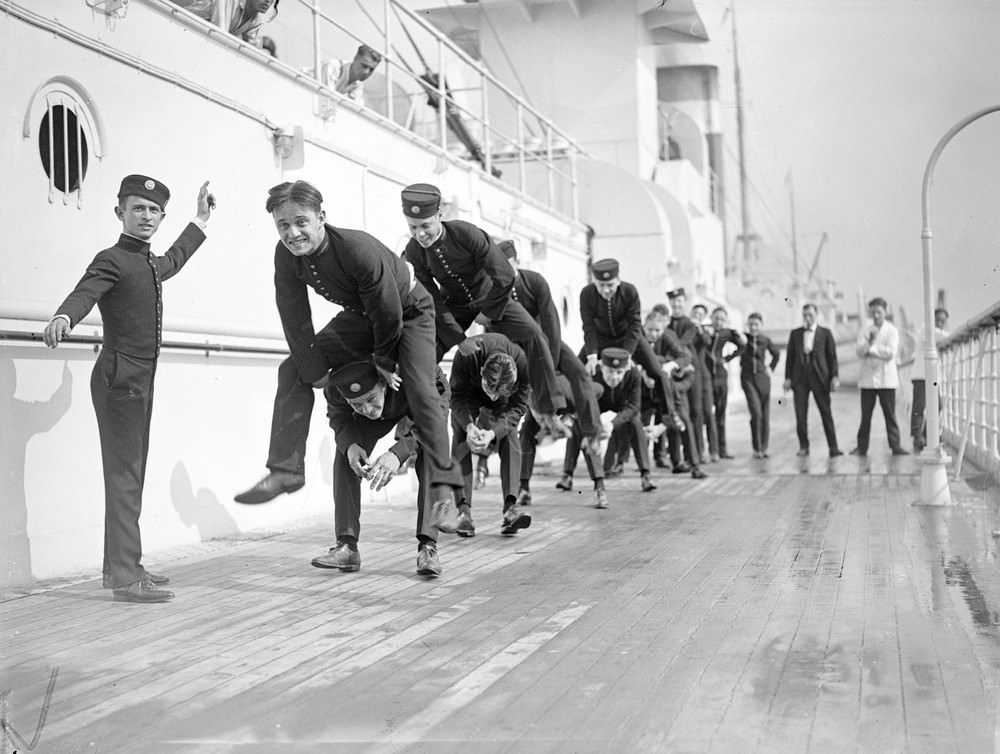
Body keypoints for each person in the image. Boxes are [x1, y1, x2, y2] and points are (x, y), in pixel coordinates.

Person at [234, 181, 463, 536]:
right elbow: (294, 315)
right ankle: (286, 470)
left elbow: (389, 313)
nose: (293, 233)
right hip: (363, 314)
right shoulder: (286, 256)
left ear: (321, 217)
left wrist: (387, 364)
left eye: (301, 222)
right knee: (292, 366)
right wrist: (315, 371)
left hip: (409, 311)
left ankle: (445, 497)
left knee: (420, 388)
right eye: (283, 225)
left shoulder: (356, 249)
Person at [42, 175, 215, 603]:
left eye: (154, 210)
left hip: (140, 378)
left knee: (130, 475)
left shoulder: (150, 263)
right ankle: (124, 575)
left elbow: (174, 258)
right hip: (119, 377)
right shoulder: (113, 259)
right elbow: (85, 292)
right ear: (119, 212)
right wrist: (65, 318)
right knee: (123, 476)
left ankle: (125, 566)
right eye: (138, 208)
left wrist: (201, 219)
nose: (147, 216)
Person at [401, 183, 568, 436]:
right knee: (424, 354)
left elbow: (504, 275)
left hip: (492, 297)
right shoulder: (414, 251)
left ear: (440, 216)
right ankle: (410, 430)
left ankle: (548, 410)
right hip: (455, 306)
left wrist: (489, 312)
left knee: (534, 335)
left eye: (426, 225)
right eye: (413, 227)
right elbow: (431, 300)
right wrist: (458, 338)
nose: (420, 234)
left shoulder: (467, 234)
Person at [316, 359, 452, 576]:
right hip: (390, 399)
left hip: (418, 401)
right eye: (357, 404)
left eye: (370, 399)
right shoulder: (334, 388)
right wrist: (350, 446)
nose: (368, 410)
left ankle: (428, 547)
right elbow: (339, 417)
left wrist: (398, 453)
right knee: (346, 455)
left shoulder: (418, 370)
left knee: (430, 450)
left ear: (383, 381)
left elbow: (435, 419)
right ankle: (347, 547)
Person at [498, 238, 603, 504]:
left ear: (518, 263)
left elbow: (552, 322)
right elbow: (496, 331)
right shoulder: (494, 289)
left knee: (580, 372)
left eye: (509, 266)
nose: (506, 273)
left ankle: (592, 431)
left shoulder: (535, 282)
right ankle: (522, 487)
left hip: (548, 345)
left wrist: (551, 361)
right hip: (519, 351)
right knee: (526, 429)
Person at [579, 259, 680, 434]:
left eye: (610, 285)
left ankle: (668, 418)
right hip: (601, 338)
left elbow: (634, 326)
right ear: (594, 282)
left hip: (629, 338)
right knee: (577, 370)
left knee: (658, 373)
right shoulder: (586, 294)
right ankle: (569, 415)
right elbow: (588, 327)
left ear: (618, 280)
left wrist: (627, 356)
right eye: (601, 285)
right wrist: (592, 356)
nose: (606, 290)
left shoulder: (629, 291)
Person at [449, 333, 532, 537]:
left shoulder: (522, 362)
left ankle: (511, 509)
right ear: (481, 371)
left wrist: (493, 433)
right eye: (489, 388)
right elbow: (456, 397)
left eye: (497, 392)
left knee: (510, 433)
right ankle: (463, 512)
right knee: (460, 433)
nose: (491, 396)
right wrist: (469, 425)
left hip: (506, 400)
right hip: (469, 394)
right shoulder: (467, 354)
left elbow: (519, 406)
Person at [558, 348, 655, 506]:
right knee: (582, 426)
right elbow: (583, 403)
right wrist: (593, 423)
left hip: (621, 405)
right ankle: (580, 479)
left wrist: (613, 424)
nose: (614, 377)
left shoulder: (634, 374)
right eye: (610, 371)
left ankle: (645, 474)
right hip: (597, 401)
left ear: (627, 369)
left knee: (636, 423)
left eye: (619, 373)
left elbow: (634, 406)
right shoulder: (590, 372)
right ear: (601, 366)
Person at [783, 303, 842, 457]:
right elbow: (790, 358)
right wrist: (788, 378)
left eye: (810, 315)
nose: (807, 318)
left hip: (820, 378)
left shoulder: (826, 333)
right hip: (800, 379)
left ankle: (833, 447)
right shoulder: (795, 334)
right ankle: (803, 447)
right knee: (800, 415)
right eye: (805, 315)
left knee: (826, 413)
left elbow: (832, 357)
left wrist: (834, 377)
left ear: (817, 315)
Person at [852, 297, 907, 456]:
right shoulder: (865, 329)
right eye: (873, 312)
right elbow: (859, 352)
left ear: (885, 312)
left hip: (886, 380)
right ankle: (861, 447)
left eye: (879, 312)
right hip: (868, 380)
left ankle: (895, 446)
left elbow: (890, 353)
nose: (876, 315)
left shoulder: (892, 330)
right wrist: (869, 347)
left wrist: (871, 348)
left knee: (890, 415)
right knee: (865, 416)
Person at [739, 312, 781, 459]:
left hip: (763, 379)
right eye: (750, 325)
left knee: (765, 415)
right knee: (756, 413)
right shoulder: (743, 339)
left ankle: (764, 447)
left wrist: (770, 368)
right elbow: (729, 337)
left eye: (756, 325)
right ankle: (756, 448)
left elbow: (776, 354)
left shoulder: (765, 340)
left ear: (761, 325)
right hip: (747, 379)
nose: (753, 327)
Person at [705, 306, 744, 459]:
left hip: (721, 375)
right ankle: (712, 450)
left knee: (720, 415)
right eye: (716, 319)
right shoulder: (705, 331)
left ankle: (722, 449)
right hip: (707, 376)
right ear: (711, 318)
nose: (719, 322)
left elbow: (742, 345)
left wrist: (727, 359)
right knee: (709, 415)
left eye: (722, 319)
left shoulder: (726, 333)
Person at [910, 307, 950, 452]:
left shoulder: (936, 333)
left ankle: (926, 435)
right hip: (921, 375)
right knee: (919, 408)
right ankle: (917, 437)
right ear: (932, 319)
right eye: (937, 320)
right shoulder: (926, 329)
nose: (939, 323)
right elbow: (945, 337)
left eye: (942, 321)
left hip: (932, 376)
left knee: (937, 405)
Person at [687, 302, 720, 462]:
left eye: (701, 314)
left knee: (708, 412)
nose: (697, 316)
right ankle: (699, 451)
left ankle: (714, 450)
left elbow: (707, 342)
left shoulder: (705, 330)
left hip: (704, 375)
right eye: (695, 313)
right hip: (691, 375)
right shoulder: (686, 328)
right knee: (696, 412)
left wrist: (699, 328)